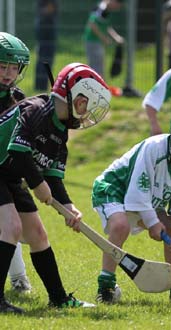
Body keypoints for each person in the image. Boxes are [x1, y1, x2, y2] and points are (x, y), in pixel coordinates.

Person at [0, 62, 112, 313]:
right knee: (11, 227)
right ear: (77, 97)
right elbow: (18, 153)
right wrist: (38, 185)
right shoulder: (36, 110)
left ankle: (59, 298)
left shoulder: (60, 131)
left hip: (8, 175)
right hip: (5, 168)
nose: (86, 115)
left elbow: (52, 174)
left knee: (38, 235)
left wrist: (69, 206)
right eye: (87, 107)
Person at [91, 112, 171, 304]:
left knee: (170, 228)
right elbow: (138, 191)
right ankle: (106, 286)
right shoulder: (154, 148)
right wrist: (152, 222)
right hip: (115, 188)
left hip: (150, 198)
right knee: (120, 226)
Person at [0, 32, 33, 294]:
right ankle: (18, 278)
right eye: (2, 66)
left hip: (9, 171)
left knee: (15, 227)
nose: (8, 73)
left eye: (14, 67)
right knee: (8, 225)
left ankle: (19, 279)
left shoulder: (17, 97)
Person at [83, 0, 124, 78]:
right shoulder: (102, 8)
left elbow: (107, 26)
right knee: (96, 70)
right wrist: (104, 38)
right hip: (92, 41)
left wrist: (116, 37)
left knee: (99, 68)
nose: (117, 8)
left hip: (98, 42)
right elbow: (92, 24)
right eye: (118, 6)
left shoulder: (106, 9)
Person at [34, 0, 58, 91]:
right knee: (45, 59)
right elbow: (49, 8)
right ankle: (41, 86)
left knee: (44, 58)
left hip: (45, 27)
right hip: (46, 29)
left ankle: (41, 86)